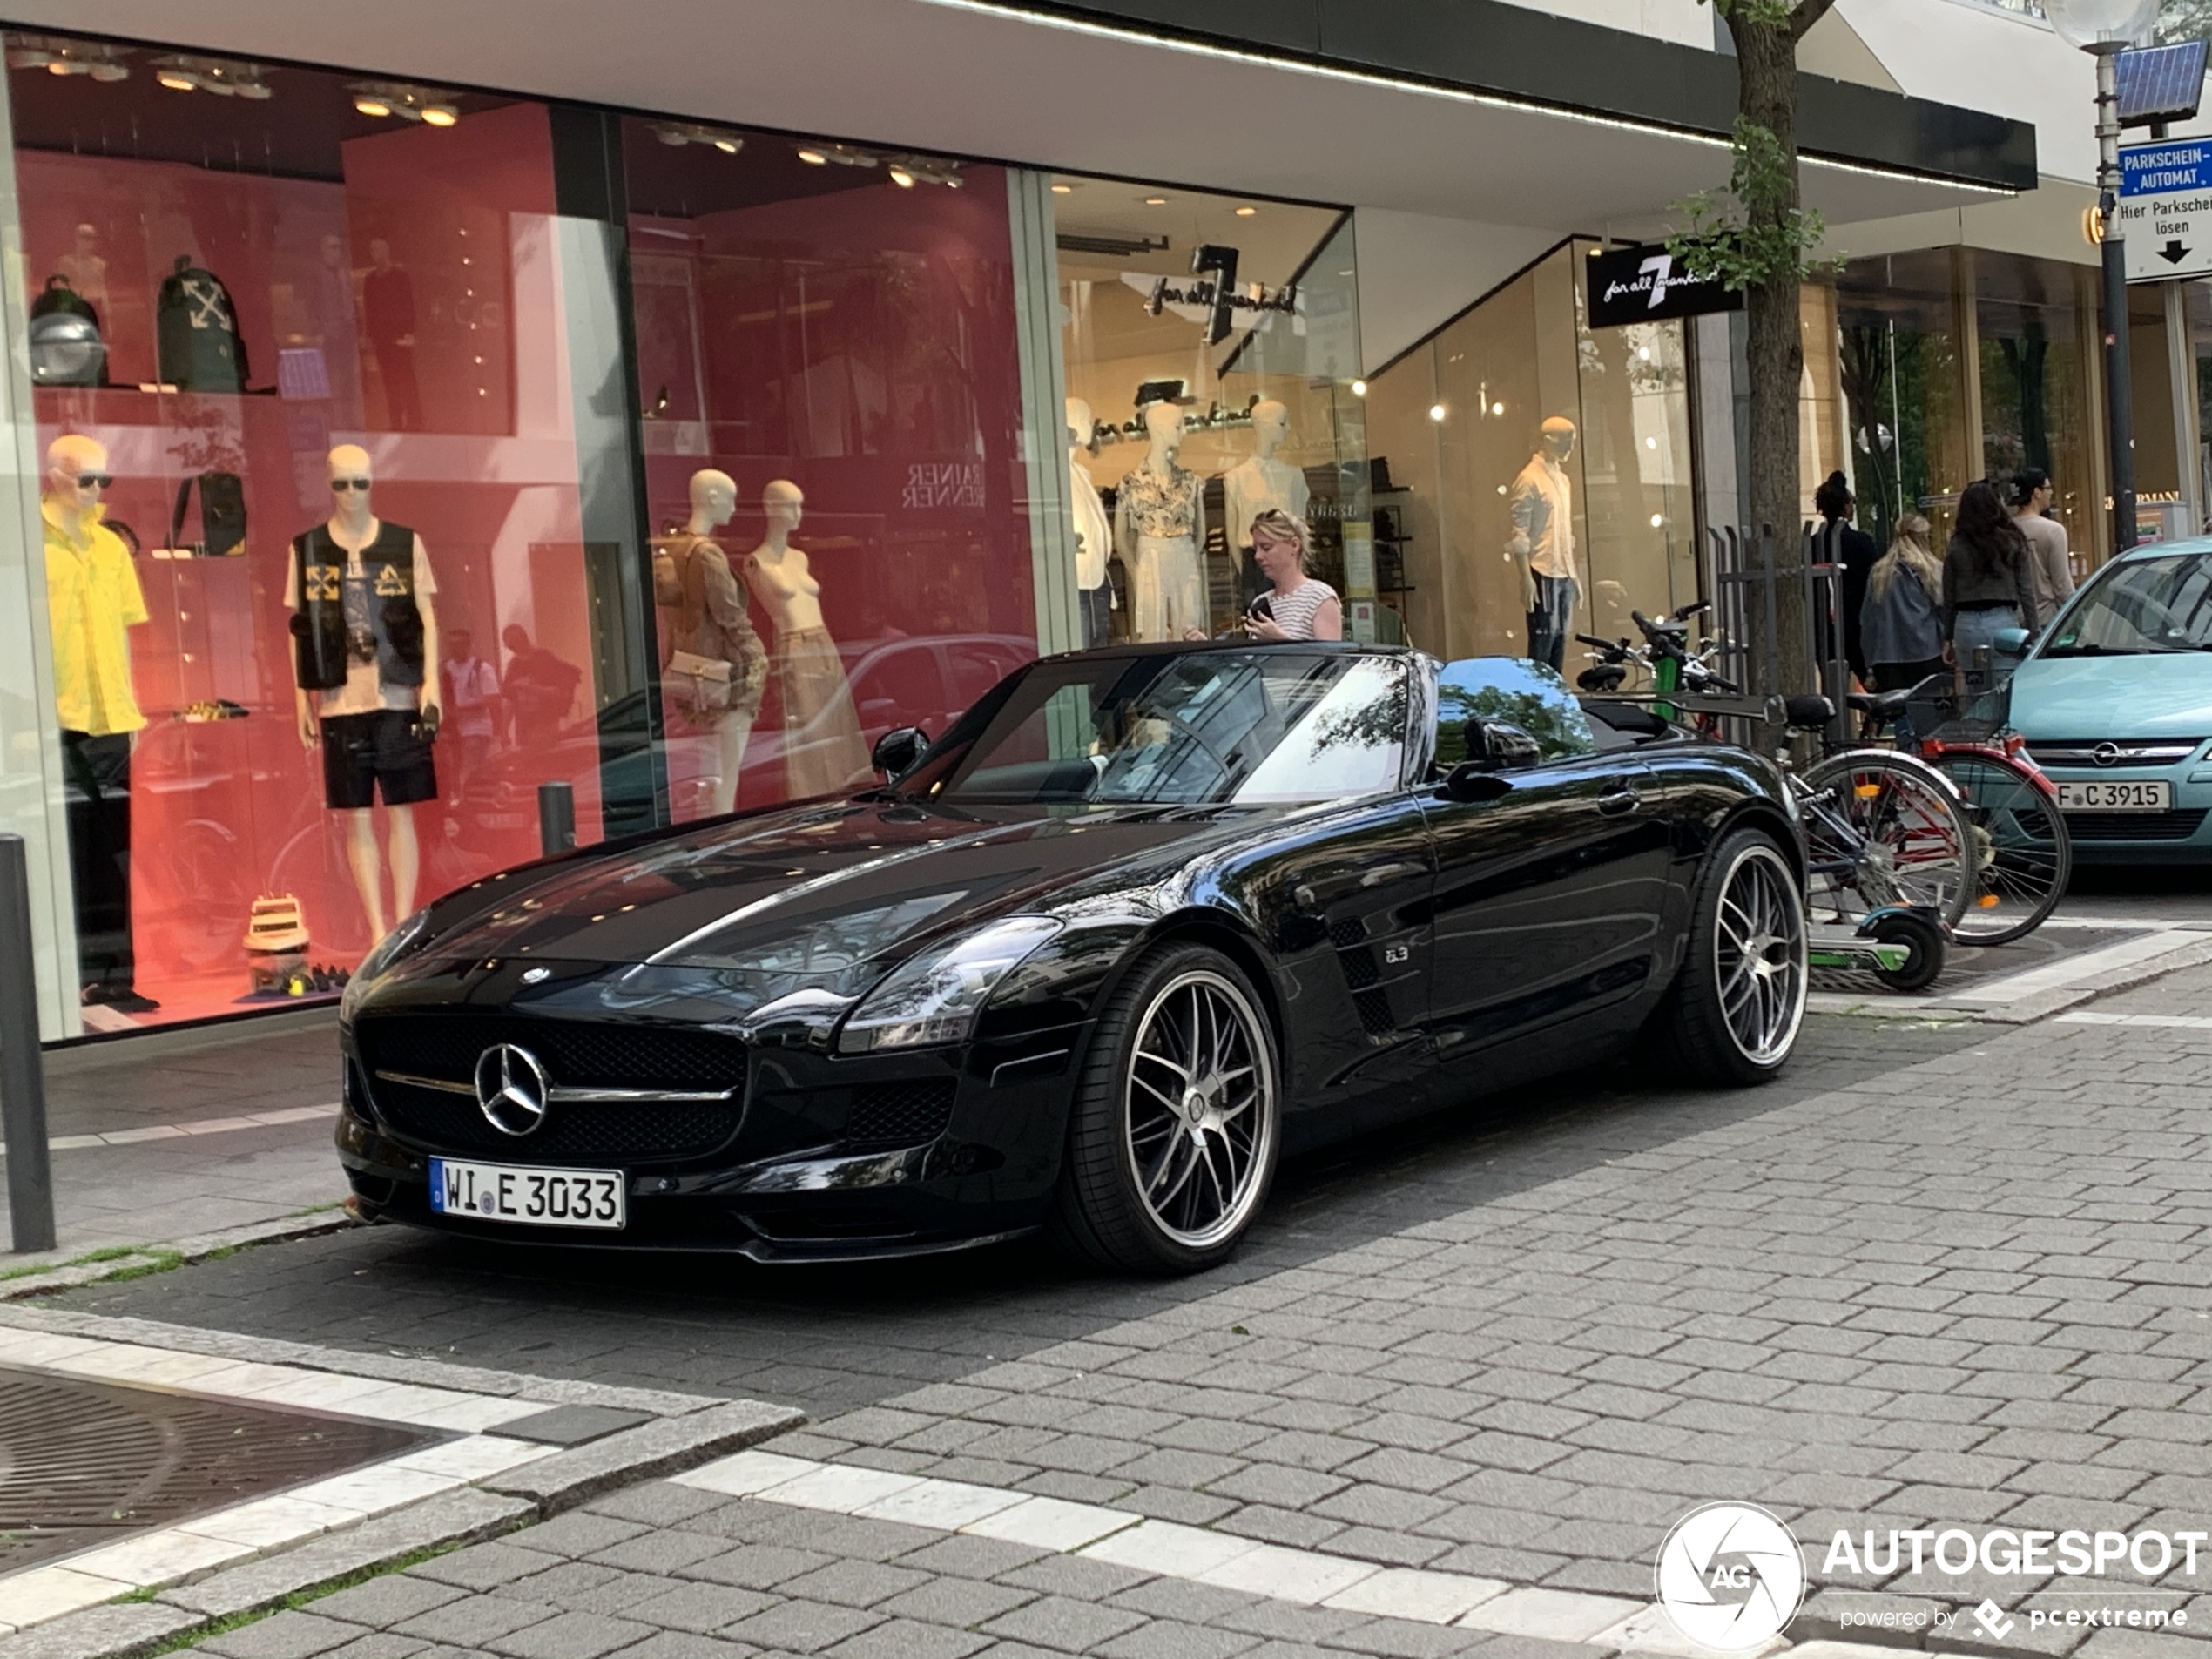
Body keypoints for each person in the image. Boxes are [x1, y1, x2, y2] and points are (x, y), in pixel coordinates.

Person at [1184, 509, 1340, 642]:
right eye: (1255, 549)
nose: (1258, 556)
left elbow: (1331, 664)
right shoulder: (1260, 603)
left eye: (1266, 547)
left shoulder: (1320, 597)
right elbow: (1253, 663)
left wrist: (1280, 641)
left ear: (1294, 545)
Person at [1942, 479, 2040, 671]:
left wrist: (1948, 637)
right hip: (2003, 621)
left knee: (1973, 688)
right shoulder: (2012, 541)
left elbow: (1949, 596)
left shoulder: (1957, 545)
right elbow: (2026, 592)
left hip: (1966, 622)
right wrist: (2035, 632)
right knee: (2004, 686)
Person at [1859, 513, 1946, 694]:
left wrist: (1869, 663)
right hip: (1927, 652)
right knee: (1928, 714)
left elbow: (1868, 621)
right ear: (1923, 537)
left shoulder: (1879, 572)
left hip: (1887, 657)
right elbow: (1943, 610)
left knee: (1895, 714)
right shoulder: (1933, 570)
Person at [1813, 471, 1878, 685]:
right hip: (1859, 628)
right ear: (1846, 505)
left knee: (1832, 692)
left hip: (1824, 632)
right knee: (1876, 694)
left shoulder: (1812, 545)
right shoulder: (1861, 543)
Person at [502, 624, 583, 749]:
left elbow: (559, 690)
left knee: (543, 758)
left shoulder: (544, 658)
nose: (514, 650)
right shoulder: (513, 665)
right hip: (523, 725)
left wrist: (533, 689)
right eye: (510, 647)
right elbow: (510, 700)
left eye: (514, 644)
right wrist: (504, 730)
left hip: (545, 722)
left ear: (523, 640)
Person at [2009, 468, 2074, 622]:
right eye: (2048, 488)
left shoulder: (2004, 531)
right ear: (2036, 492)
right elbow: (2062, 585)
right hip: (2046, 618)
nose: (2050, 493)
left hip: (2013, 619)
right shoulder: (2053, 531)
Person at [441, 628, 502, 791]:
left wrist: (464, 708)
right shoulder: (448, 668)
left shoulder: (481, 668)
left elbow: (493, 699)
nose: (455, 649)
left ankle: (470, 798)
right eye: (452, 645)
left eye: (459, 645)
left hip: (476, 727)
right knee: (454, 766)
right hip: (454, 729)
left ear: (468, 646)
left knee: (471, 766)